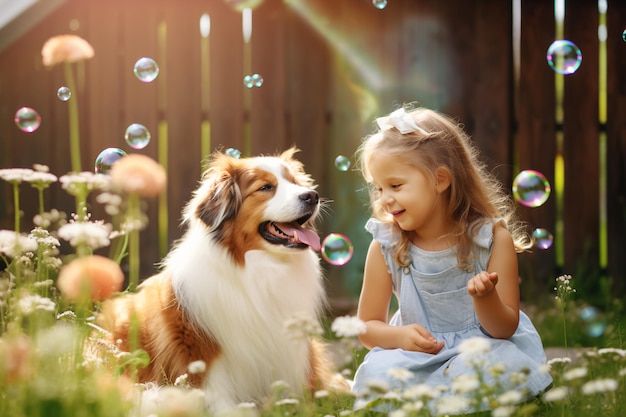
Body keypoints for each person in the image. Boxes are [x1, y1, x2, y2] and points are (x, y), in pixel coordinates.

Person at [351, 106, 552, 413]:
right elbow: (366, 327)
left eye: (395, 185)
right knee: (379, 373)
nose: (384, 199)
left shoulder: (491, 240)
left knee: (501, 365)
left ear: (440, 179)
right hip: (416, 355)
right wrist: (399, 336)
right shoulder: (386, 246)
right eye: (379, 188)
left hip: (483, 349)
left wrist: (486, 299)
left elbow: (505, 328)